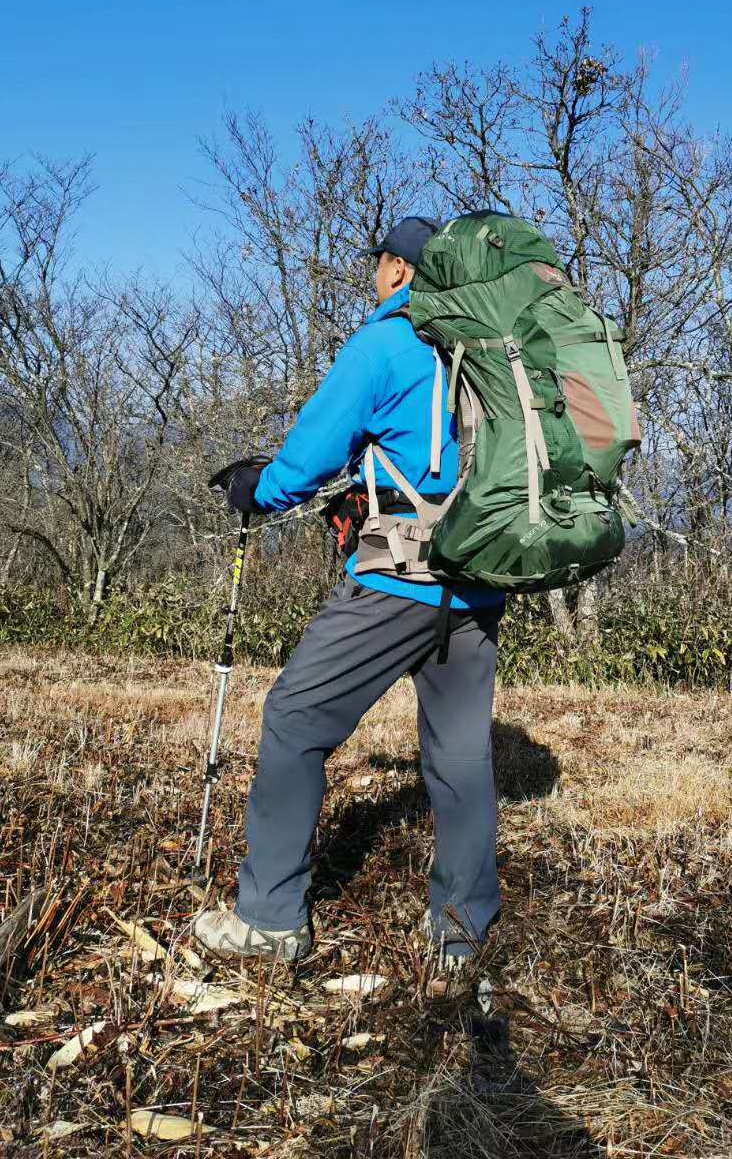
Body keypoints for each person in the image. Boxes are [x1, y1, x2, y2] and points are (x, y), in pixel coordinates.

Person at [193, 217, 505, 968]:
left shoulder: (387, 342)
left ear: (397, 269)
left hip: (398, 578)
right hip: (481, 580)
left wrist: (255, 491)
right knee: (461, 755)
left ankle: (269, 921)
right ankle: (461, 934)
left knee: (295, 717)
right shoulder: (489, 351)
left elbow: (309, 456)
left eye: (380, 266)